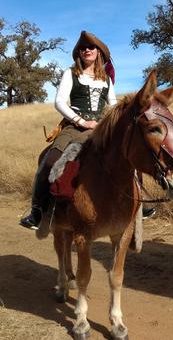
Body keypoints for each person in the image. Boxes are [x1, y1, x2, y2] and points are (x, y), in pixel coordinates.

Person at [20, 31, 156, 230]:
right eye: (83, 48)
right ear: (79, 53)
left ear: (99, 52)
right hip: (74, 128)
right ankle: (38, 211)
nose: (87, 50)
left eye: (91, 47)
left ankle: (139, 204)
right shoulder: (71, 74)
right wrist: (81, 121)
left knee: (129, 155)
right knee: (49, 160)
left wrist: (108, 123)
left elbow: (112, 105)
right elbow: (59, 102)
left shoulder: (106, 80)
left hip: (102, 128)